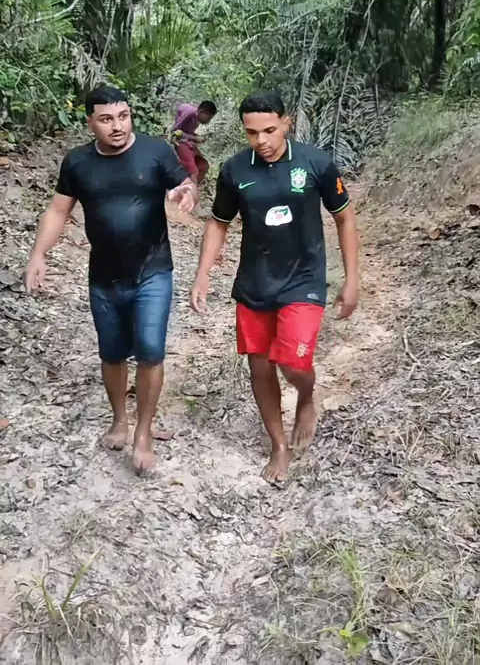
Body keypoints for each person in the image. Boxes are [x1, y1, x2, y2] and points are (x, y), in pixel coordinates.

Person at [25, 85, 197, 474]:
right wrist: (38, 254)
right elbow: (58, 211)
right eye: (106, 119)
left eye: (123, 116)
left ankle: (143, 432)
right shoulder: (77, 162)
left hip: (153, 270)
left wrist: (187, 192)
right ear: (90, 122)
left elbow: (184, 182)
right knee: (112, 354)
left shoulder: (154, 151)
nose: (117, 126)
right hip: (104, 276)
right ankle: (120, 418)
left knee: (150, 350)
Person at [191, 92, 358, 486]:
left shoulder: (315, 163)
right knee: (260, 367)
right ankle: (279, 445)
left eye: (269, 130)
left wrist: (352, 279)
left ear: (286, 122)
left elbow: (344, 217)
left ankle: (306, 397)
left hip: (304, 278)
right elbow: (218, 222)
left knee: (293, 363)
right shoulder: (235, 170)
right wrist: (202, 272)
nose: (261, 140)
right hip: (255, 282)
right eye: (252, 133)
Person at [171, 100, 217, 185]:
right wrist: (194, 138)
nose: (208, 121)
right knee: (193, 171)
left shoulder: (197, 118)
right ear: (201, 111)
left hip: (188, 142)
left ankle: (191, 185)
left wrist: (197, 137)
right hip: (179, 142)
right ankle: (191, 189)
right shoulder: (189, 113)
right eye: (208, 118)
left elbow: (187, 132)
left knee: (203, 165)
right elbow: (174, 131)